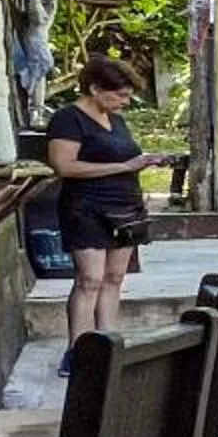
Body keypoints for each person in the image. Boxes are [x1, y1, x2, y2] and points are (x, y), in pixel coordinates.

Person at [43, 58, 176, 365]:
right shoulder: (68, 119)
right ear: (94, 88)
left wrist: (148, 160)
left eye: (127, 96)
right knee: (89, 278)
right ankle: (77, 350)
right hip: (86, 207)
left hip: (125, 206)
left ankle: (108, 342)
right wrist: (122, 167)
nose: (125, 102)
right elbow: (64, 166)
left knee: (115, 276)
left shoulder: (116, 121)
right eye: (119, 95)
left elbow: (126, 155)